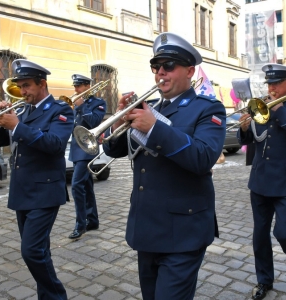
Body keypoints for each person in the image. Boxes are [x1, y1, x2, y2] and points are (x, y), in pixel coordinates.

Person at [103, 32, 226, 299]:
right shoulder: (151, 107)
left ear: (190, 71)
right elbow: (114, 149)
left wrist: (155, 127)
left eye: (169, 66)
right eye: (156, 67)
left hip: (184, 229)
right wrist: (117, 123)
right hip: (147, 225)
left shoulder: (208, 108)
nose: (161, 73)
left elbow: (203, 158)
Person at [0, 59, 74, 300]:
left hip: (45, 191)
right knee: (40, 251)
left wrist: (16, 126)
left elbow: (55, 145)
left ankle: (57, 296)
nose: (22, 92)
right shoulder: (24, 110)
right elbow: (0, 142)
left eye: (27, 86)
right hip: (22, 190)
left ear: (42, 84)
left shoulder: (60, 110)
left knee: (32, 251)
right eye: (20, 86)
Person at [237, 63, 286, 300]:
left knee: (284, 232)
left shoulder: (278, 109)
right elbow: (253, 140)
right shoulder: (262, 107)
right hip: (260, 182)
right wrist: (245, 127)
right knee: (260, 236)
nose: (271, 88)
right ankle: (264, 280)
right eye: (269, 83)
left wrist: (279, 110)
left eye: (276, 83)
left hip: (284, 184)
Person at [68, 74, 106, 239]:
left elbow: (94, 123)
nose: (75, 89)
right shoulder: (76, 104)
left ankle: (80, 223)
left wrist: (82, 106)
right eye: (75, 86)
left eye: (78, 86)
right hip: (77, 148)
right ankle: (92, 220)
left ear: (86, 86)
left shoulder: (98, 103)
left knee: (76, 185)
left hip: (87, 148)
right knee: (86, 185)